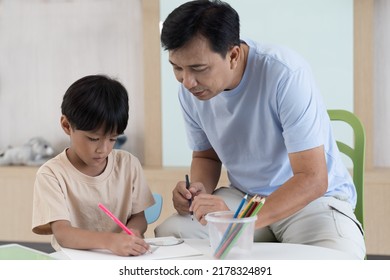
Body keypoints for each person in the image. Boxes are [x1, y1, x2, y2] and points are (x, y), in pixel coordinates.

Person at [154, 0, 366, 259]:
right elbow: (206, 156)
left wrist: (242, 219)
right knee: (172, 233)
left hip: (309, 203)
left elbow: (312, 178)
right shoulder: (191, 91)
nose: (187, 81)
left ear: (232, 55)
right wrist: (198, 191)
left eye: (198, 69)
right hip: (244, 197)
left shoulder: (285, 74)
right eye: (176, 67)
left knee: (339, 260)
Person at [32, 74, 154, 256]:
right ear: (66, 125)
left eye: (113, 138)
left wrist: (133, 232)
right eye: (93, 139)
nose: (103, 149)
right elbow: (63, 233)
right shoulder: (52, 174)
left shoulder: (128, 164)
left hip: (120, 258)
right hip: (74, 261)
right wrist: (110, 241)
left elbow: (138, 218)